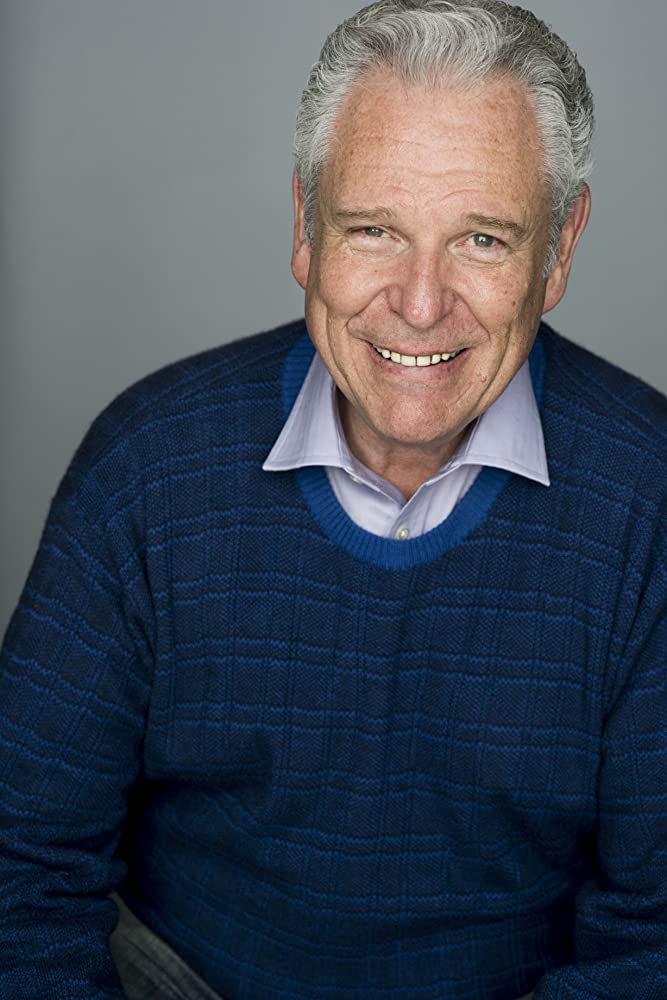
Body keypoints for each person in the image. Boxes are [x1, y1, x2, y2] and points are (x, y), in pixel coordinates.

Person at [0, 0, 665, 997]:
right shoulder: (146, 465)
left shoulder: (650, 502)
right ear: (305, 228)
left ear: (559, 248)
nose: (420, 302)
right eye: (373, 230)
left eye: (482, 239)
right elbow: (20, 868)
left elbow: (654, 938)